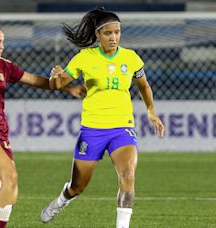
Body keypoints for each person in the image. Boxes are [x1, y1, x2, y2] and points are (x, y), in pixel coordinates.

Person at [0, 23, 84, 228]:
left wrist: (67, 88)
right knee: (10, 176)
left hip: (0, 133)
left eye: (3, 42)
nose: (2, 46)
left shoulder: (4, 65)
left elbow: (34, 80)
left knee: (7, 196)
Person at [40, 7, 165, 228]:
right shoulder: (85, 58)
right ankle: (61, 201)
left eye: (117, 32)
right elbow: (58, 85)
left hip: (122, 129)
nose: (114, 37)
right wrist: (55, 77)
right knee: (77, 187)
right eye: (108, 33)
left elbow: (144, 85)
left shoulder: (131, 58)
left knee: (128, 176)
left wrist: (151, 111)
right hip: (92, 130)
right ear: (98, 35)